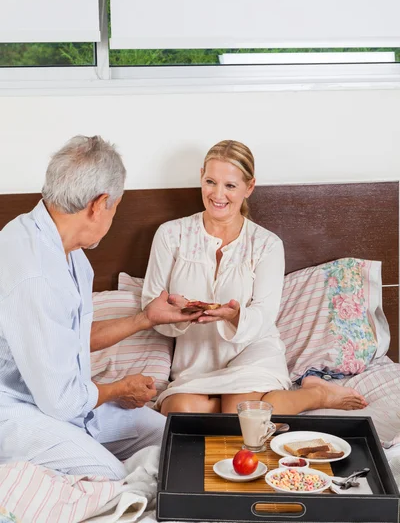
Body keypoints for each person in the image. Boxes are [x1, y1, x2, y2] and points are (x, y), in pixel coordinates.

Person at [0, 135, 199, 481]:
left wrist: (145, 318)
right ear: (99, 203)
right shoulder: (33, 273)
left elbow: (70, 339)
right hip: (16, 409)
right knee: (109, 476)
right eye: (115, 208)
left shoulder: (67, 251)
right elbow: (60, 401)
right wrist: (119, 389)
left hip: (56, 397)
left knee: (170, 435)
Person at [142, 140, 368, 416]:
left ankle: (316, 394)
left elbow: (264, 315)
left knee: (242, 413)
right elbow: (151, 308)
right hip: (195, 361)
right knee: (179, 411)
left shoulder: (266, 244)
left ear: (249, 187)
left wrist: (234, 316)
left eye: (230, 185)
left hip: (252, 352)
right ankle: (275, 401)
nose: (217, 194)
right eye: (211, 181)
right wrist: (177, 314)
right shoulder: (170, 235)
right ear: (201, 176)